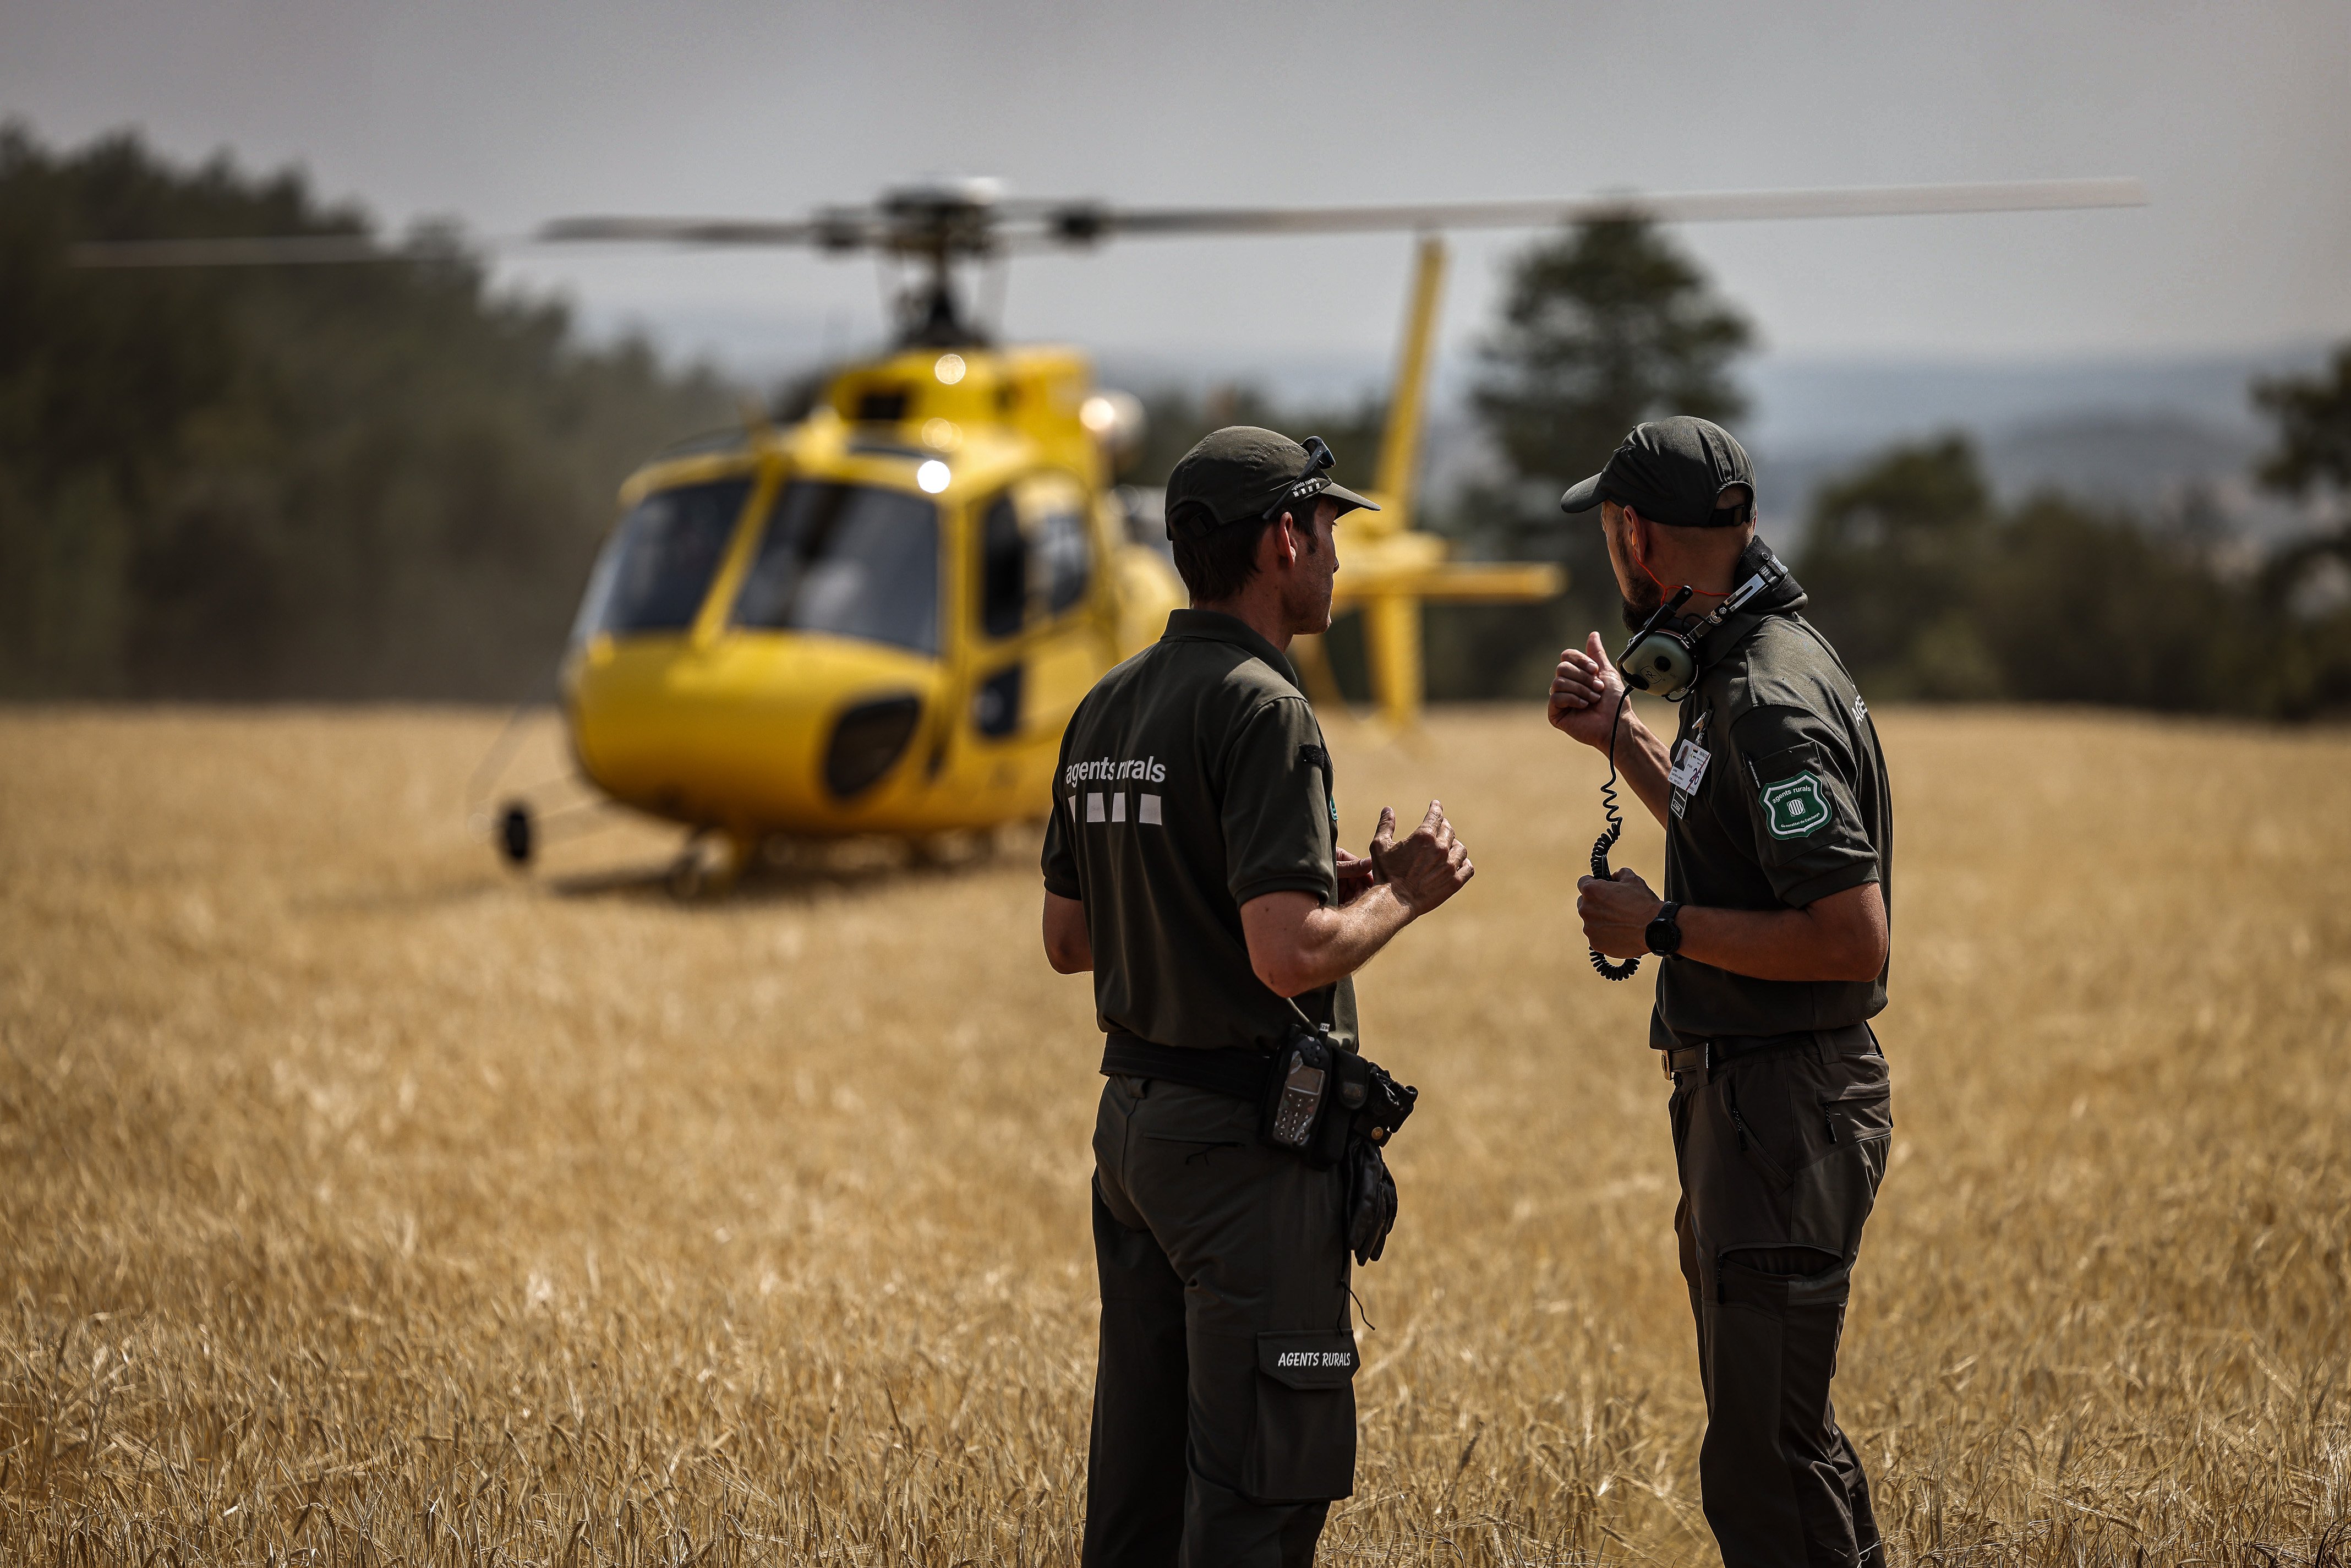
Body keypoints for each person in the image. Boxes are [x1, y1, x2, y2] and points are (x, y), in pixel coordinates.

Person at [1041, 427, 1474, 1568]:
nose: (1336, 560)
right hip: (1240, 1154)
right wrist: (1405, 897)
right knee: (1256, 1499)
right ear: (1283, 540)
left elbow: (1073, 936)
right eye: (1329, 532)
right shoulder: (1263, 708)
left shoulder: (1109, 706)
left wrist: (1291, 884)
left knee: (1139, 1495)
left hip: (1134, 1134)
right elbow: (1288, 959)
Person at [1546, 417, 1895, 1568]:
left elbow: (1851, 939)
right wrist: (1622, 736)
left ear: (1637, 536)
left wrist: (1661, 926)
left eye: (1611, 527)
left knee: (1762, 1470)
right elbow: (1724, 823)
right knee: (1783, 1443)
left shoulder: (1767, 697)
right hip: (1758, 1114)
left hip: (1780, 1117)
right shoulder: (1747, 662)